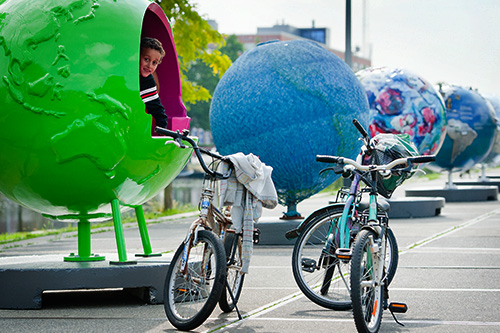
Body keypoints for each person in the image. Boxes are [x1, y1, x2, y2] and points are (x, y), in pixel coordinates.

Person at [139, 37, 168, 129]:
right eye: (146, 59)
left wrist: (162, 129)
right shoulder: (125, 74)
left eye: (154, 62)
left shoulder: (147, 82)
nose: (149, 66)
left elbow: (156, 108)